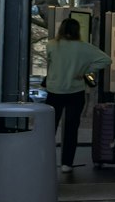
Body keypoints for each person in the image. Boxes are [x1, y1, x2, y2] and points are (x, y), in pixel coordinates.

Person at [43, 17, 109, 174]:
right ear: (77, 30)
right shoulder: (84, 47)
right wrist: (87, 71)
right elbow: (106, 60)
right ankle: (67, 164)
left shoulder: (51, 45)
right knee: (72, 129)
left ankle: (45, 160)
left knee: (48, 128)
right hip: (75, 92)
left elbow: (50, 63)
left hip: (54, 91)